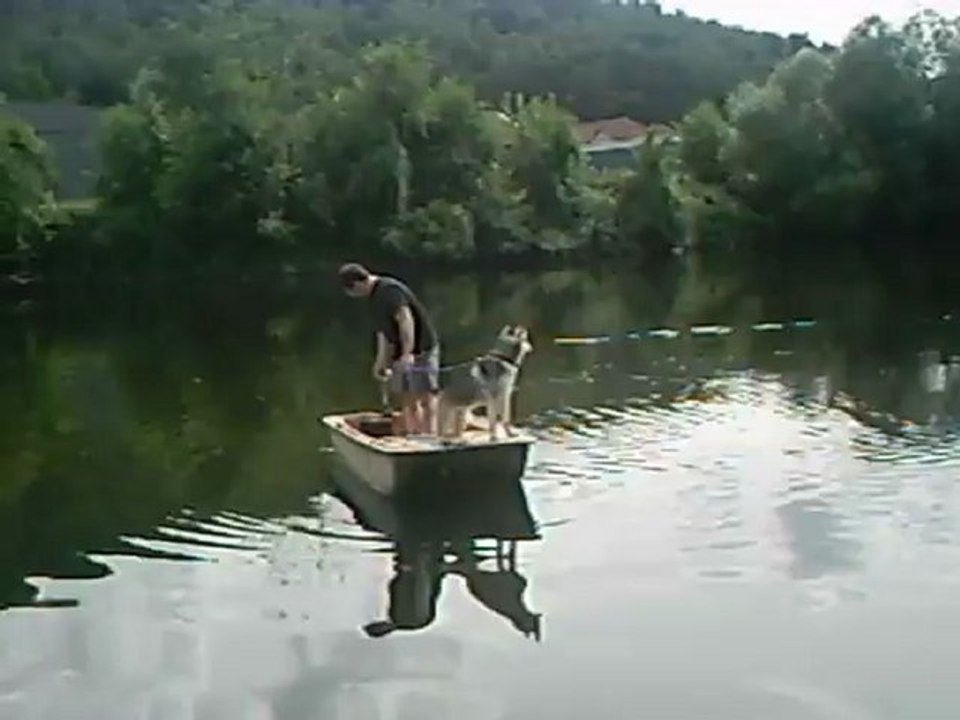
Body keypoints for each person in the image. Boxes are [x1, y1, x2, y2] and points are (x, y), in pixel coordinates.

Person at [338, 262, 440, 435]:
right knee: (407, 397)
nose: (355, 296)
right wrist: (381, 362)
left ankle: (430, 436)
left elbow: (405, 319)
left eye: (353, 292)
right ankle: (414, 435)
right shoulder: (373, 299)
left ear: (357, 284)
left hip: (422, 348)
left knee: (425, 396)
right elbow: (384, 334)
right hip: (400, 354)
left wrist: (408, 354)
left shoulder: (389, 290)